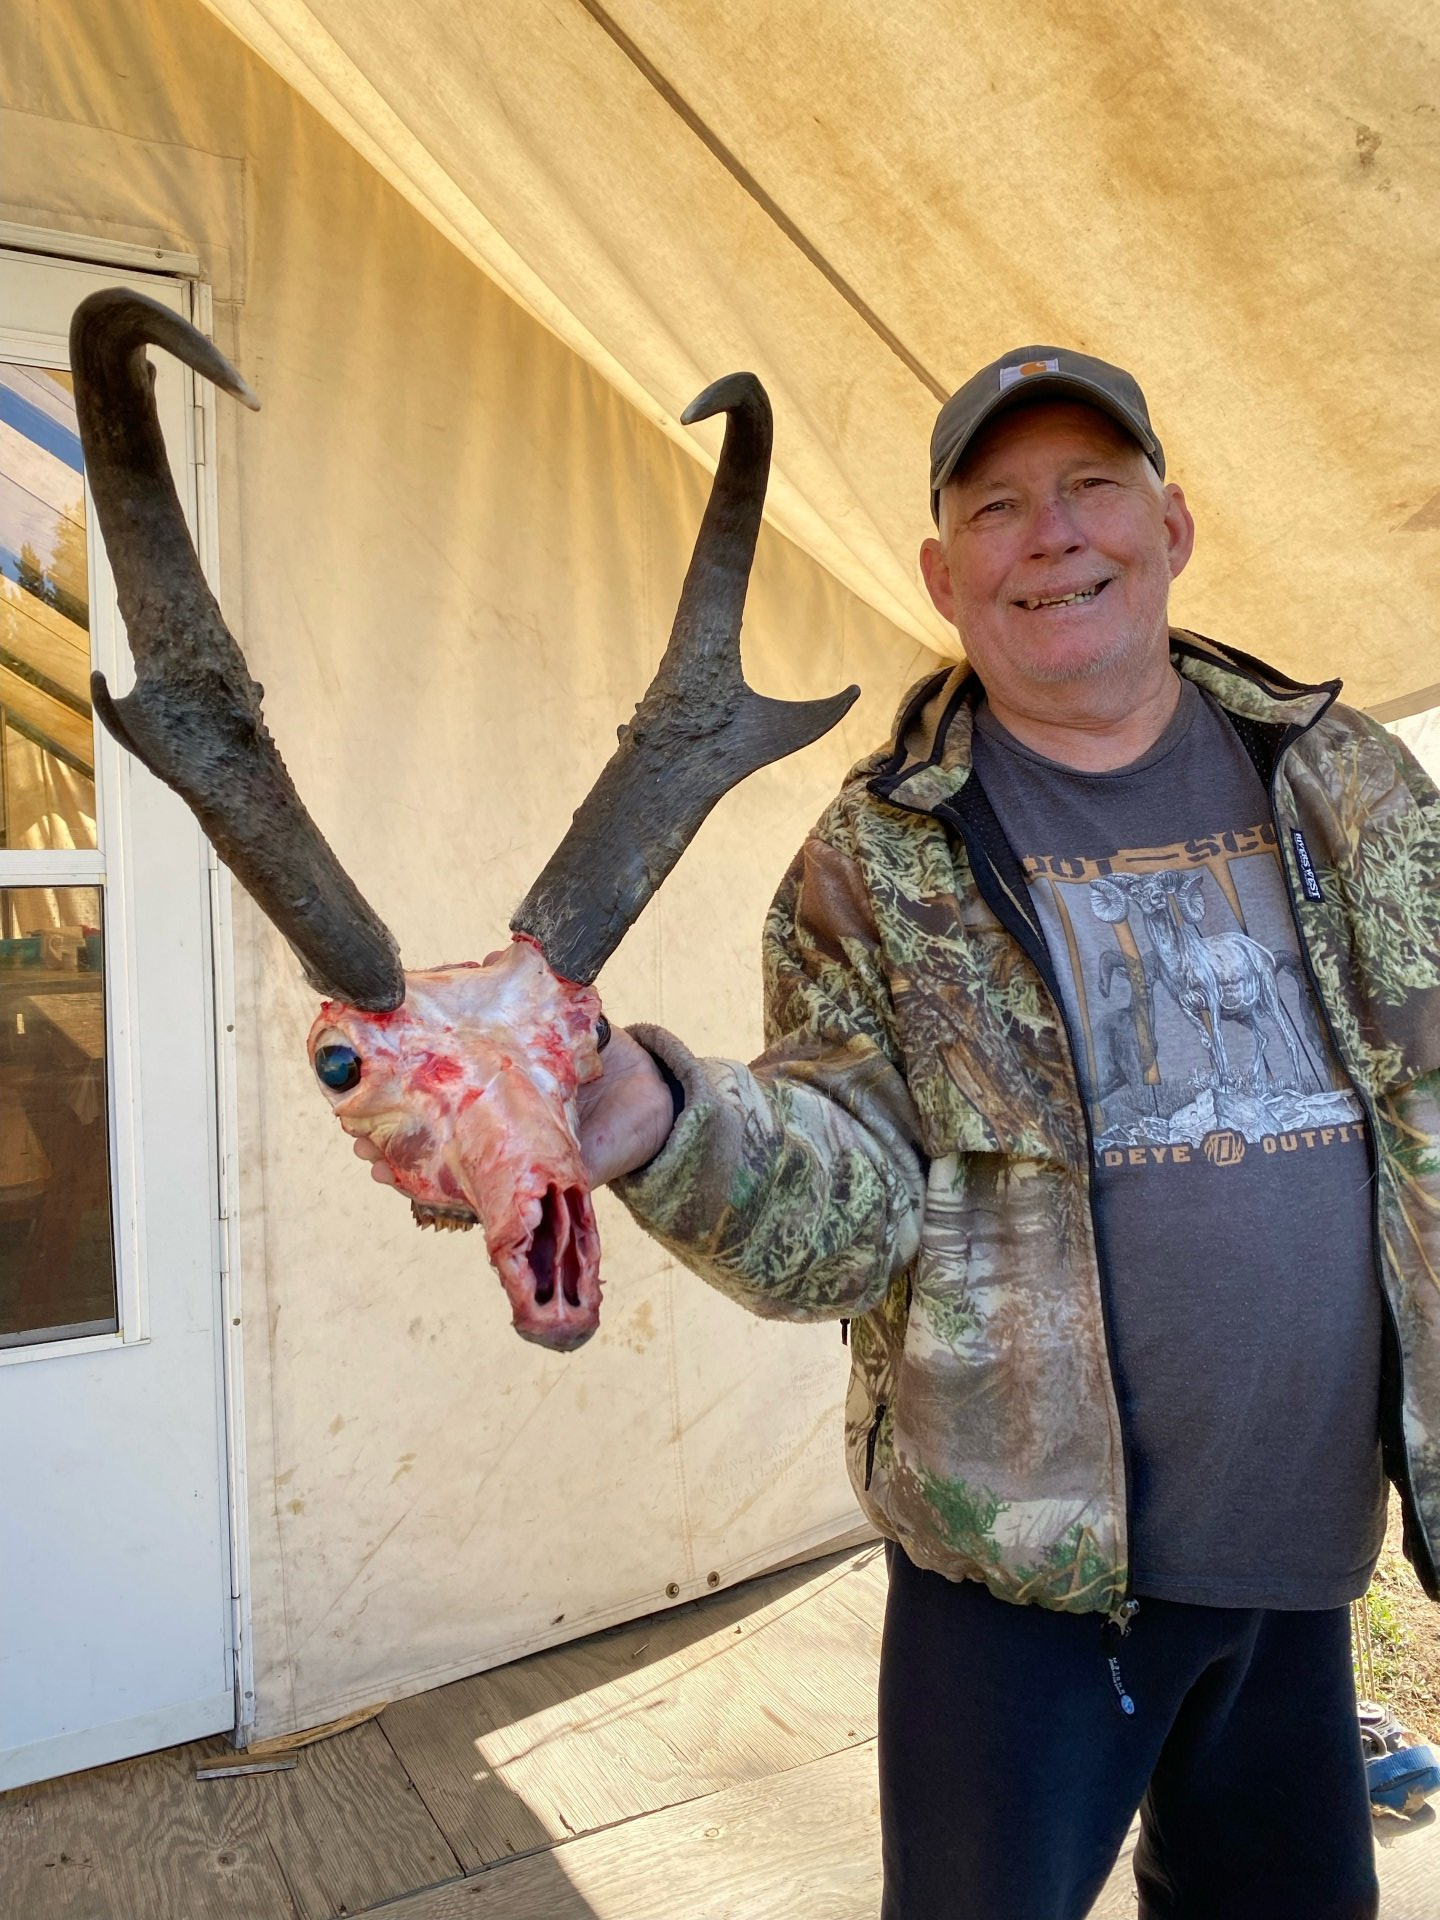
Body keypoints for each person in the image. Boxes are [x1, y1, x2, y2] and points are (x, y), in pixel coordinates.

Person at [360, 347, 1440, 1919]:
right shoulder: (873, 867)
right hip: (1024, 1585)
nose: (1053, 534)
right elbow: (853, 1215)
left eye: (1092, 488)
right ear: (944, 576)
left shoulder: (1350, 783)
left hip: (1306, 1559)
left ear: (1174, 524)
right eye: (998, 507)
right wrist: (663, 1118)